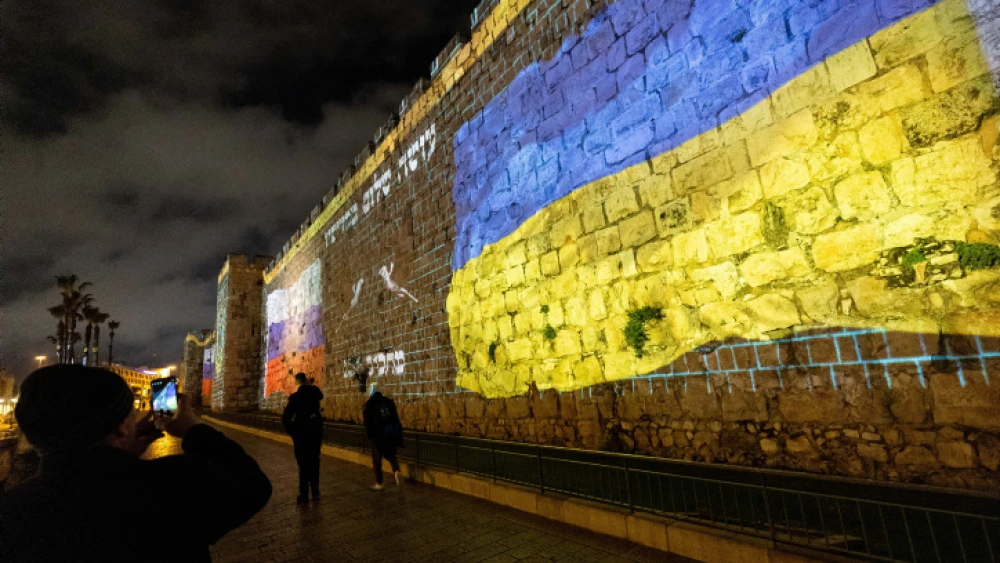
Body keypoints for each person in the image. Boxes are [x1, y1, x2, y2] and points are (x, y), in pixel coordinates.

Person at [0, 364, 271, 563]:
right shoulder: (168, 486)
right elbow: (252, 485)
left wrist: (122, 453)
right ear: (119, 430)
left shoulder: (12, 509)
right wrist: (192, 430)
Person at [281, 372, 324, 504]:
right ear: (305, 380)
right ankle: (315, 492)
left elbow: (285, 418)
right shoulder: (314, 393)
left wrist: (292, 431)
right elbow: (320, 395)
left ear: (296, 382)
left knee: (303, 465)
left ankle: (304, 494)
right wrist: (310, 384)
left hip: (301, 435)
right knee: (315, 462)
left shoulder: (295, 397)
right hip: (315, 433)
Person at [362, 383, 403, 490]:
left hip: (377, 436)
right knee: (390, 454)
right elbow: (395, 417)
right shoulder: (388, 402)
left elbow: (367, 423)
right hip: (389, 433)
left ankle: (379, 482)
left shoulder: (369, 405)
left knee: (377, 459)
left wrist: (370, 436)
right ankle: (396, 470)